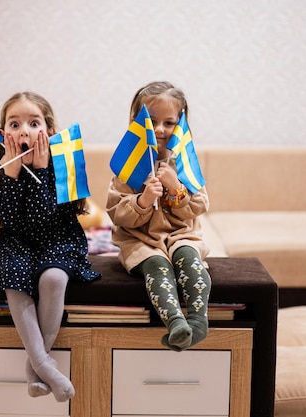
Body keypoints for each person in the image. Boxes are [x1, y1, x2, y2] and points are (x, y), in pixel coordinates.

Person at [0, 91, 100, 401]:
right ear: (3, 134)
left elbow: (42, 219)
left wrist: (42, 170)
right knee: (13, 279)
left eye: (33, 123)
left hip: (57, 238)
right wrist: (13, 174)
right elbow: (12, 222)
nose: (24, 131)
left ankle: (35, 368)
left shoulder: (60, 165)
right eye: (14, 124)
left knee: (54, 278)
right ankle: (45, 363)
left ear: (50, 131)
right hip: (17, 241)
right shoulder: (2, 167)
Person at [106, 81, 212, 352]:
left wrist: (176, 188)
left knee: (189, 259)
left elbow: (200, 204)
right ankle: (176, 322)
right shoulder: (129, 163)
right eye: (152, 121)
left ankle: (198, 321)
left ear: (180, 125)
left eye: (169, 123)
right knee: (156, 265)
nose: (160, 130)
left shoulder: (184, 161)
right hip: (140, 240)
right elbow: (117, 212)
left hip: (180, 235)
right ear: (137, 122)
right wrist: (142, 201)